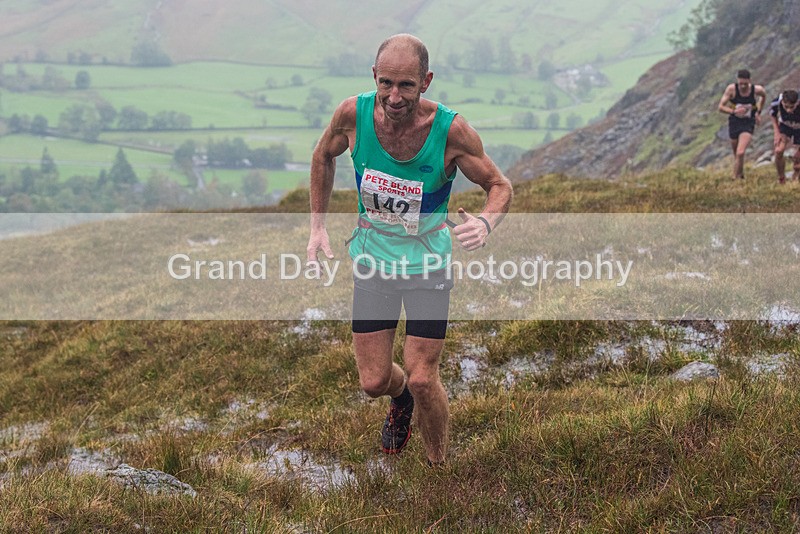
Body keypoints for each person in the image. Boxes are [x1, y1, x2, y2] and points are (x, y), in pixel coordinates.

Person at [306, 34, 513, 465]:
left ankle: (438, 466)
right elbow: (323, 155)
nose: (394, 97)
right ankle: (398, 398)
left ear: (426, 81)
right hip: (373, 261)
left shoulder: (450, 131)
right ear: (374, 77)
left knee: (423, 378)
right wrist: (317, 226)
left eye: (406, 85)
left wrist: (485, 222)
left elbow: (499, 185)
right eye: (386, 83)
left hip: (427, 264)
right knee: (373, 381)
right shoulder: (353, 115)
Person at [717, 69, 766, 180]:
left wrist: (758, 112)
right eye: (741, 84)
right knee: (737, 153)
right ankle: (740, 175)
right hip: (734, 122)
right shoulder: (731, 89)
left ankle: (735, 178)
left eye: (745, 84)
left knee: (740, 152)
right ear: (737, 81)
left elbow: (763, 96)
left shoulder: (756, 90)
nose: (743, 86)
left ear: (749, 81)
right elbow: (720, 107)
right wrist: (734, 111)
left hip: (748, 122)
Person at [770, 89, 800, 183]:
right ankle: (781, 178)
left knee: (798, 157)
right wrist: (776, 132)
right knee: (778, 151)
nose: (789, 110)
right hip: (785, 125)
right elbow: (773, 115)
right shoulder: (776, 103)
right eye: (786, 106)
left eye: (792, 107)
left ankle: (796, 174)